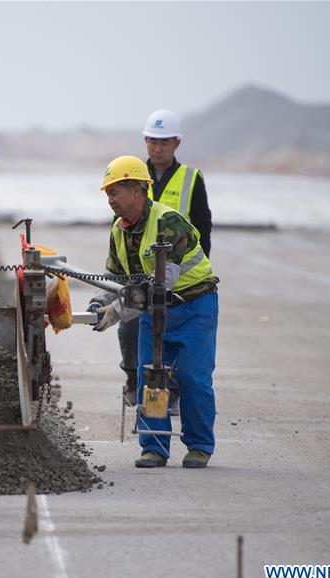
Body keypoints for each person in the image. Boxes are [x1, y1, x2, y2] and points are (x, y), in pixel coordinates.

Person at [89, 155, 219, 469]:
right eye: (108, 193)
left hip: (193, 306)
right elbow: (116, 278)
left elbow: (163, 284)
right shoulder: (119, 231)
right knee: (149, 375)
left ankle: (199, 446)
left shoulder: (168, 222)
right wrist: (98, 302)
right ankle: (154, 447)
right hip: (153, 312)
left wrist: (117, 310)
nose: (110, 199)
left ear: (138, 190)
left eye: (115, 191)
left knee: (192, 377)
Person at [114, 109, 213, 409]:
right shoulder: (132, 177)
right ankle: (135, 380)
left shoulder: (190, 178)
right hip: (144, 274)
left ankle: (173, 387)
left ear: (176, 143)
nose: (158, 147)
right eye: (153, 141)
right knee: (130, 327)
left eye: (165, 142)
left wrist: (187, 275)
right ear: (145, 141)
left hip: (180, 277)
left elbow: (203, 229)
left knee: (177, 340)